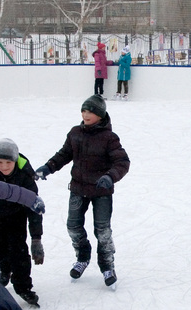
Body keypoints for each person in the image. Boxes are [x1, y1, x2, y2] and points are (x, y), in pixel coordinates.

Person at [34, 95, 129, 289]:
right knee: (73, 226)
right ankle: (83, 257)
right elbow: (64, 155)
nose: (85, 114)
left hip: (101, 191)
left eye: (90, 111)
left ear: (100, 115)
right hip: (78, 188)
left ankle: (107, 266)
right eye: (83, 111)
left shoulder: (109, 138)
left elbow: (122, 162)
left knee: (102, 231)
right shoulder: (75, 133)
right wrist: (48, 167)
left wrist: (110, 176)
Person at [0, 138, 44, 307]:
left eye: (8, 162)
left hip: (16, 217)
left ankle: (23, 287)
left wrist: (36, 238)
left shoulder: (25, 176)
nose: (4, 166)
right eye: (0, 162)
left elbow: (34, 208)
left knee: (19, 252)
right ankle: (2, 275)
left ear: (15, 160)